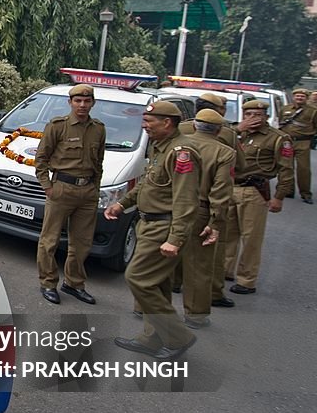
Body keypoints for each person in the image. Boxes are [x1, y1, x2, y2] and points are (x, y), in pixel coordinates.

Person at [105, 101, 201, 360]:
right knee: (157, 285)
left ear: (167, 122)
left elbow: (185, 199)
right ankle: (152, 338)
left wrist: (176, 238)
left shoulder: (182, 152)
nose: (144, 126)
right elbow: (149, 184)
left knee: (137, 278)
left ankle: (179, 337)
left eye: (149, 122)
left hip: (164, 226)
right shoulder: (161, 147)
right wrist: (122, 204)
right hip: (148, 223)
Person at [34, 83, 105, 305]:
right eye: (78, 101)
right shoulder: (57, 126)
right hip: (61, 189)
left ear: (93, 103)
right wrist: (48, 187)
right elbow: (41, 160)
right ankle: (48, 282)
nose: (82, 105)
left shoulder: (98, 129)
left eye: (87, 101)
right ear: (70, 102)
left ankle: (74, 283)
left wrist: (95, 188)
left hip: (87, 192)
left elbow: (99, 162)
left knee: (82, 243)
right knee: (50, 240)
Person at [176, 92, 245, 309]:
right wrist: (217, 220)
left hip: (176, 204)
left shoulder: (180, 133)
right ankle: (205, 302)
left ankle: (168, 291)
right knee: (204, 260)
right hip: (204, 207)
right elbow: (225, 184)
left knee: (170, 249)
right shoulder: (227, 140)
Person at [224, 99, 294, 295]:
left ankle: (246, 280)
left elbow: (286, 170)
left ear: (266, 117)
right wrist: (239, 128)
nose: (253, 119)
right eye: (248, 114)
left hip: (254, 191)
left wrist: (279, 196)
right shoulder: (236, 133)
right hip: (231, 188)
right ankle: (224, 270)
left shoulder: (278, 138)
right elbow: (217, 141)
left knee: (251, 238)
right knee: (227, 235)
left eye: (258, 115)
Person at [278, 88, 317, 203]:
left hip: (303, 142)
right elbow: (280, 122)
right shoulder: (285, 109)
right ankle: (288, 190)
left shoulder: (313, 111)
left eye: (302, 96)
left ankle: (306, 193)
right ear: (293, 97)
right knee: (287, 167)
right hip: (287, 142)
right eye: (297, 96)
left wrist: (308, 135)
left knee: (304, 168)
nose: (299, 98)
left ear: (306, 98)